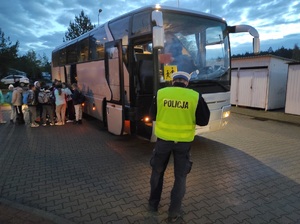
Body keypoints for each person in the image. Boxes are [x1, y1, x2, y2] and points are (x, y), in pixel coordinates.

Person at [148, 71, 210, 223]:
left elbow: (152, 114)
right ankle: (174, 212)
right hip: (183, 144)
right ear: (186, 83)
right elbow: (203, 121)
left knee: (157, 172)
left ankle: (153, 205)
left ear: (173, 81)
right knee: (180, 177)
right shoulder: (195, 96)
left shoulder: (161, 93)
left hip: (163, 141)